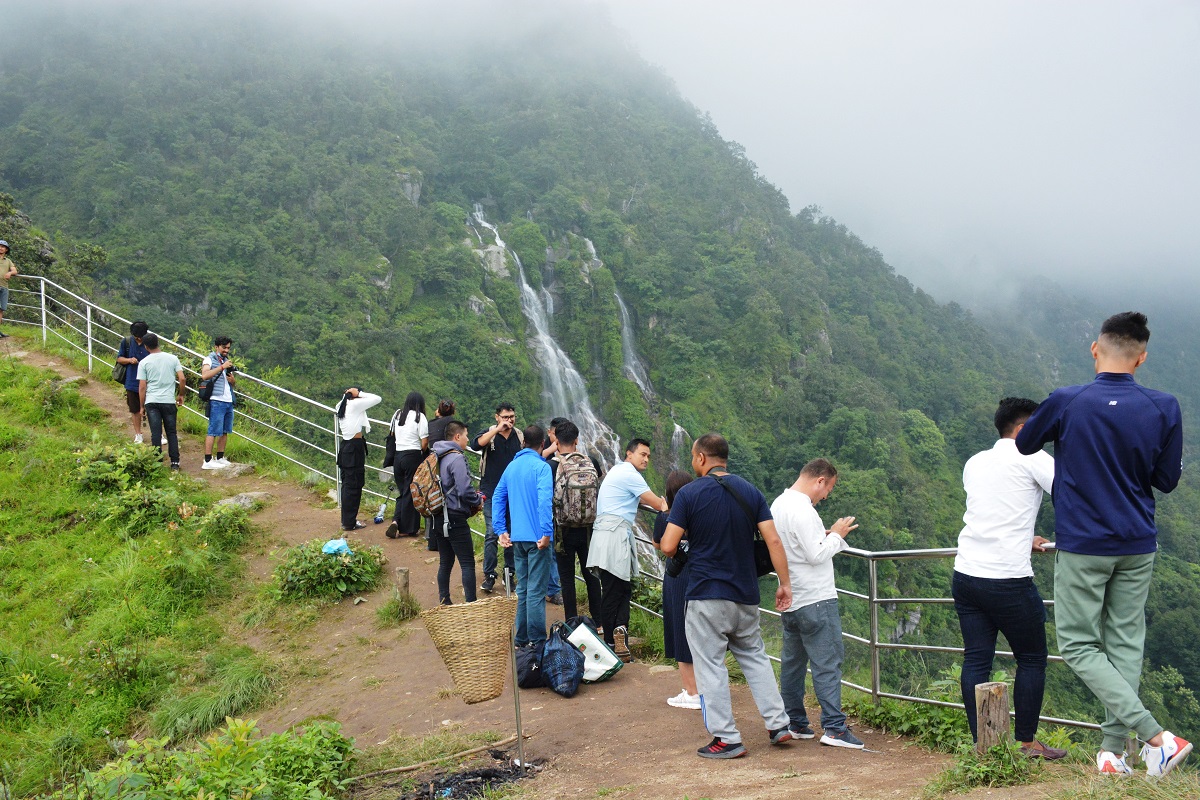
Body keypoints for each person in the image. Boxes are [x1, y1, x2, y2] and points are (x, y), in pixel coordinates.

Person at [1016, 311, 1188, 777]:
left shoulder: (1068, 401)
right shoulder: (1163, 406)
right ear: (1142, 358)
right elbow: (1166, 480)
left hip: (1084, 543)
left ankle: (1158, 737)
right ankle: (1114, 752)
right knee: (1125, 643)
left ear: (1096, 349)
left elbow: (1026, 444)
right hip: (1137, 541)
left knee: (1077, 644)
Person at [660, 434, 794, 759]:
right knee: (756, 658)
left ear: (702, 459)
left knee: (710, 665)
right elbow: (773, 541)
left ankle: (727, 738)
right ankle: (778, 725)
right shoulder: (751, 492)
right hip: (745, 595)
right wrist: (784, 584)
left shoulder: (689, 494)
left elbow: (667, 545)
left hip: (706, 594)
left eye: (694, 458)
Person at [954, 399, 1064, 759]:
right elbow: (1072, 493)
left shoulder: (975, 461)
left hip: (967, 573)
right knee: (1031, 658)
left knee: (976, 661)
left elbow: (996, 509)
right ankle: (1026, 743)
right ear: (1022, 430)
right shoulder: (1032, 456)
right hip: (1007, 579)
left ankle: (983, 745)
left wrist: (1024, 536)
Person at [773, 458, 864, 749]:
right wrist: (837, 534)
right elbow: (816, 555)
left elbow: (792, 544)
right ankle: (835, 728)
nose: (826, 497)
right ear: (820, 480)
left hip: (791, 597)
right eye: (828, 489)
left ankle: (796, 722)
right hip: (816, 599)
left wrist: (823, 536)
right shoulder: (804, 510)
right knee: (827, 663)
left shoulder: (778, 505)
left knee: (793, 664)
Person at [587, 437, 667, 661]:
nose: (646, 459)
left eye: (649, 456)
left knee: (619, 588)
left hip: (605, 534)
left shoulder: (616, 471)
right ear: (629, 454)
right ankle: (612, 641)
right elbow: (659, 504)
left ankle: (619, 634)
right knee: (614, 591)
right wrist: (666, 504)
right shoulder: (630, 475)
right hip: (614, 536)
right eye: (643, 454)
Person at [494, 425, 554, 650]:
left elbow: (498, 497)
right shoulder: (542, 468)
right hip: (538, 540)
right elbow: (544, 501)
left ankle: (521, 640)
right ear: (542, 445)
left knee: (523, 589)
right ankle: (537, 642)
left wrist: (501, 530)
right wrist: (546, 532)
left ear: (522, 443)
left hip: (517, 538)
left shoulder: (511, 467)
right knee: (537, 592)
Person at [653, 469, 697, 709]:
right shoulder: (700, 514)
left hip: (678, 576)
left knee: (680, 631)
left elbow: (659, 544)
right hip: (701, 575)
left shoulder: (667, 517)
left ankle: (692, 693)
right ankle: (704, 689)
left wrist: (663, 513)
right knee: (700, 633)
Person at [551, 420, 603, 623]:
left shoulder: (553, 465)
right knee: (591, 575)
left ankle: (572, 623)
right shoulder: (591, 461)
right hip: (589, 528)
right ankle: (599, 622)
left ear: (556, 441)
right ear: (576, 440)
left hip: (563, 530)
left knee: (567, 578)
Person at [473, 403, 523, 593]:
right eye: (505, 417)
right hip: (492, 490)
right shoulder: (489, 433)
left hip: (514, 492)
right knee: (492, 533)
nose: (509, 420)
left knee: (512, 533)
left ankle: (509, 573)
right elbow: (475, 444)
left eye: (511, 416)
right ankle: (489, 574)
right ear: (497, 417)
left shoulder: (519, 436)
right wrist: (496, 431)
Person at [432, 420, 483, 605]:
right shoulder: (456, 458)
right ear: (457, 436)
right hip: (454, 517)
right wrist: (477, 500)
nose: (468, 439)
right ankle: (472, 605)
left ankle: (444, 601)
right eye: (466, 435)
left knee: (445, 562)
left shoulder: (438, 455)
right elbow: (464, 489)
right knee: (467, 563)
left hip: (438, 514)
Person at [135, 333, 185, 471]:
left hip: (152, 402)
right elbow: (182, 379)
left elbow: (142, 387)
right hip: (168, 401)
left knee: (155, 433)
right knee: (171, 432)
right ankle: (175, 462)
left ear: (146, 346)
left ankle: (156, 462)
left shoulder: (144, 362)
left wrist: (141, 406)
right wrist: (180, 394)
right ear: (158, 343)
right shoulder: (173, 358)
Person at [335, 387, 382, 532]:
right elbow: (377, 398)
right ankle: (349, 522)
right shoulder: (354, 405)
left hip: (346, 447)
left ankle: (347, 520)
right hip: (354, 448)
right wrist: (360, 393)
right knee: (354, 486)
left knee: (348, 485)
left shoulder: (341, 404)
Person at [384, 392, 428, 539]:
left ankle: (396, 521)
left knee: (403, 491)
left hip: (398, 456)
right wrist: (422, 453)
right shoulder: (419, 417)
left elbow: (392, 434)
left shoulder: (398, 414)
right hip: (412, 456)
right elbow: (424, 442)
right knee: (411, 492)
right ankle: (407, 529)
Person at [200, 336, 237, 470]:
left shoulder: (226, 361)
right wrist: (222, 367)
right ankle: (207, 460)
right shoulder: (209, 359)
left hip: (228, 399)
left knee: (225, 430)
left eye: (228, 348)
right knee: (213, 430)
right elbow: (204, 375)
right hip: (216, 399)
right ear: (217, 347)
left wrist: (232, 380)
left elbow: (231, 383)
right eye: (224, 347)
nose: (226, 350)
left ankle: (220, 457)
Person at [115, 321, 151, 443]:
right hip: (132, 381)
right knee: (134, 409)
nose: (139, 339)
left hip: (149, 382)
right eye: (137, 337)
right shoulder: (127, 342)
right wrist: (130, 360)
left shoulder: (149, 342)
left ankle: (158, 434)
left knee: (152, 409)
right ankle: (138, 434)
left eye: (141, 337)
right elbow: (119, 358)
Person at [0, 240, 17, 338]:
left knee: (1, 309)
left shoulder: (8, 261)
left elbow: (15, 270)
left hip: (4, 287)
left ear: (6, 250)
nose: (1, 248)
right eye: (0, 246)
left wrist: (10, 273)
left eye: (3, 247)